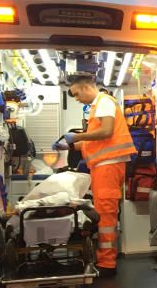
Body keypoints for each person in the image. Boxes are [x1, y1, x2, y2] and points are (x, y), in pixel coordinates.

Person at [56, 73, 136, 277]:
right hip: (105, 166)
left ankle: (107, 264)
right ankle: (106, 258)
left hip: (108, 166)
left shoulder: (104, 102)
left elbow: (106, 132)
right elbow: (97, 140)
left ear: (84, 88)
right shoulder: (99, 106)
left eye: (75, 94)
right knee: (104, 212)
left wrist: (78, 136)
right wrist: (70, 144)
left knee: (106, 213)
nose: (76, 98)